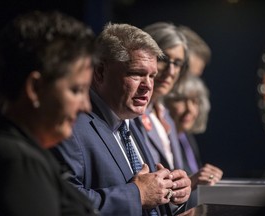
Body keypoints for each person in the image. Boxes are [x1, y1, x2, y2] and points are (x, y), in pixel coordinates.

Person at [51, 23, 191, 216]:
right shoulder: (70, 127)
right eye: (137, 74)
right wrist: (137, 195)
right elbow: (65, 204)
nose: (148, 86)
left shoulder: (131, 122)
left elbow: (150, 198)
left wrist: (171, 194)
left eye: (152, 76)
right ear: (100, 72)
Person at [0, 11, 98, 216]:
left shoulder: (20, 153)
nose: (86, 106)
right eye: (77, 90)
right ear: (35, 88)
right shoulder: (17, 161)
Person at [164, 74, 223, 208]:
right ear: (164, 103)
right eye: (180, 100)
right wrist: (191, 181)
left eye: (194, 101)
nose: (190, 109)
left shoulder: (187, 138)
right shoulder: (161, 142)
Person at [136, 21, 188, 174]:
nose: (171, 71)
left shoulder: (167, 116)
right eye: (164, 59)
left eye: (177, 63)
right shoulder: (129, 115)